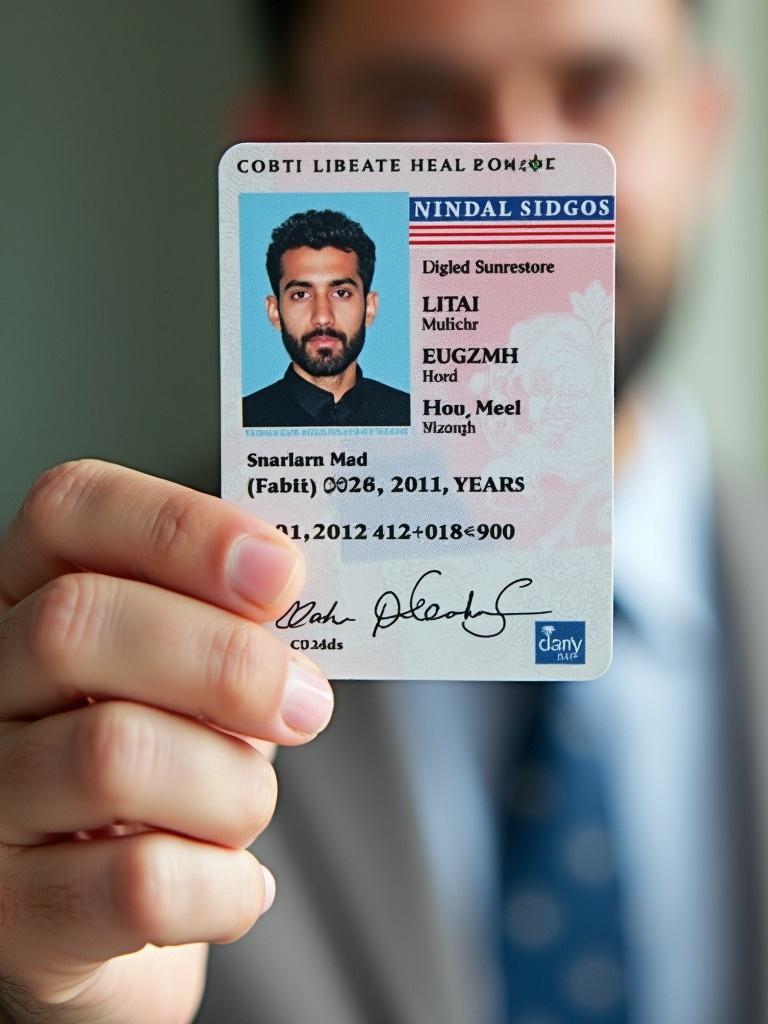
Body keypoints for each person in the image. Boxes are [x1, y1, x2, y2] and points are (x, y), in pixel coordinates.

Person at [0, 2, 764, 1024]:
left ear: (705, 129)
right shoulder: (95, 678)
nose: (518, 167)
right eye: (419, 101)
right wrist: (48, 994)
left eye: (596, 87)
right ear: (277, 157)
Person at [242, 208, 411, 427]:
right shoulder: (241, 421)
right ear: (275, 312)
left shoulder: (412, 416)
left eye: (341, 293)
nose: (322, 317)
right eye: (301, 295)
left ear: (369, 308)